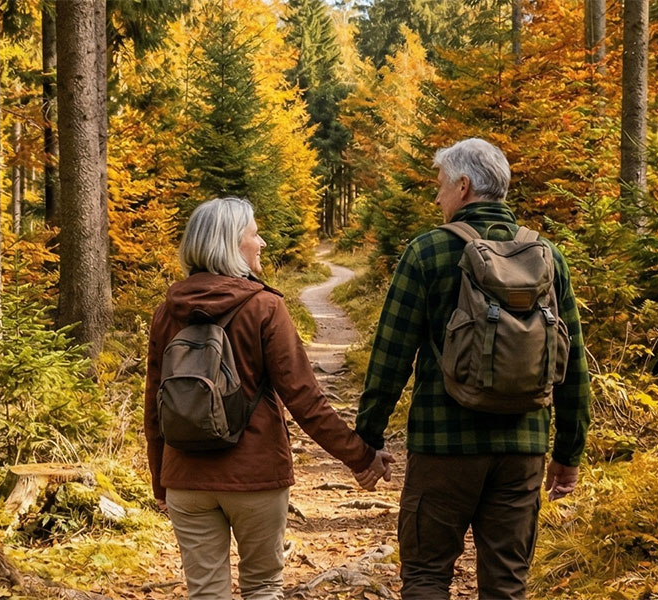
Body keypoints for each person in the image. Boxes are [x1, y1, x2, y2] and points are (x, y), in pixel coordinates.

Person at [354, 138, 591, 599]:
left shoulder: (427, 252)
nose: (437, 197)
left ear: (464, 187)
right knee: (507, 583)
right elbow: (572, 362)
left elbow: (390, 354)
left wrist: (368, 439)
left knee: (426, 574)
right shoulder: (547, 256)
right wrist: (568, 453)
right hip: (523, 447)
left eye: (441, 186)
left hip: (444, 445)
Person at [144, 197, 396, 600]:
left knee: (206, 592)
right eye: (253, 234)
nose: (260, 243)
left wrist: (162, 481)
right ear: (230, 244)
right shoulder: (264, 306)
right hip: (255, 476)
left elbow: (154, 408)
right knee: (262, 587)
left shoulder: (166, 311)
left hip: (185, 478)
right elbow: (305, 400)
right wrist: (361, 457)